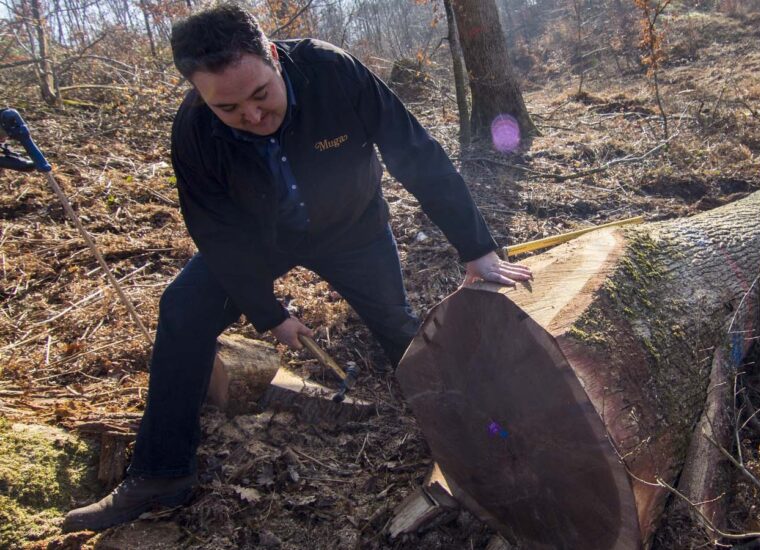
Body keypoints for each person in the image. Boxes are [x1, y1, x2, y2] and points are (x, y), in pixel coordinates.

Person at [63, 4, 531, 532]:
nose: (254, 116)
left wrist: (476, 247)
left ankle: (485, 435)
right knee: (182, 311)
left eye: (261, 94)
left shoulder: (333, 72)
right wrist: (269, 313)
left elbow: (415, 154)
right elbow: (214, 233)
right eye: (230, 108)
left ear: (274, 56)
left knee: (398, 329)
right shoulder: (193, 130)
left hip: (353, 229)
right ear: (200, 95)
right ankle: (161, 472)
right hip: (255, 238)